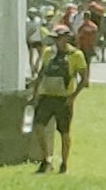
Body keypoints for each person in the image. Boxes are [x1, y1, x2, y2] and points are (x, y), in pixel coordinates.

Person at [28, 28, 86, 173]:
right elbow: (42, 73)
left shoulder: (76, 55)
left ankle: (64, 163)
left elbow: (83, 78)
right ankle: (46, 159)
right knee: (39, 126)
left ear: (66, 38)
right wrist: (35, 94)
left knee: (64, 132)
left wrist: (72, 97)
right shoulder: (48, 53)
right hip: (47, 96)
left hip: (64, 99)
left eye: (59, 38)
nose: (56, 42)